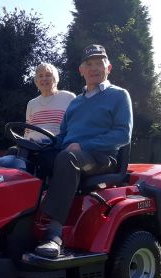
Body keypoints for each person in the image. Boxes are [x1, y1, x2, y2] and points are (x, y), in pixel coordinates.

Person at [34, 44, 133, 259]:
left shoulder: (118, 96)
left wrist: (83, 146)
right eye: (89, 64)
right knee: (26, 158)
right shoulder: (76, 103)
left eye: (99, 63)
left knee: (68, 158)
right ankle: (19, 222)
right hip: (72, 154)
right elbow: (63, 136)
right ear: (81, 70)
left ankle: (54, 235)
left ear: (109, 68)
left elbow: (122, 135)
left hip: (102, 157)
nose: (94, 68)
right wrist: (39, 146)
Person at [24, 63, 76, 143]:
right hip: (31, 145)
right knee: (12, 152)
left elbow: (74, 127)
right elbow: (27, 131)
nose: (44, 79)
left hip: (55, 146)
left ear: (55, 79)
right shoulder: (31, 103)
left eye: (48, 75)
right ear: (36, 81)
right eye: (40, 76)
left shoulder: (68, 98)